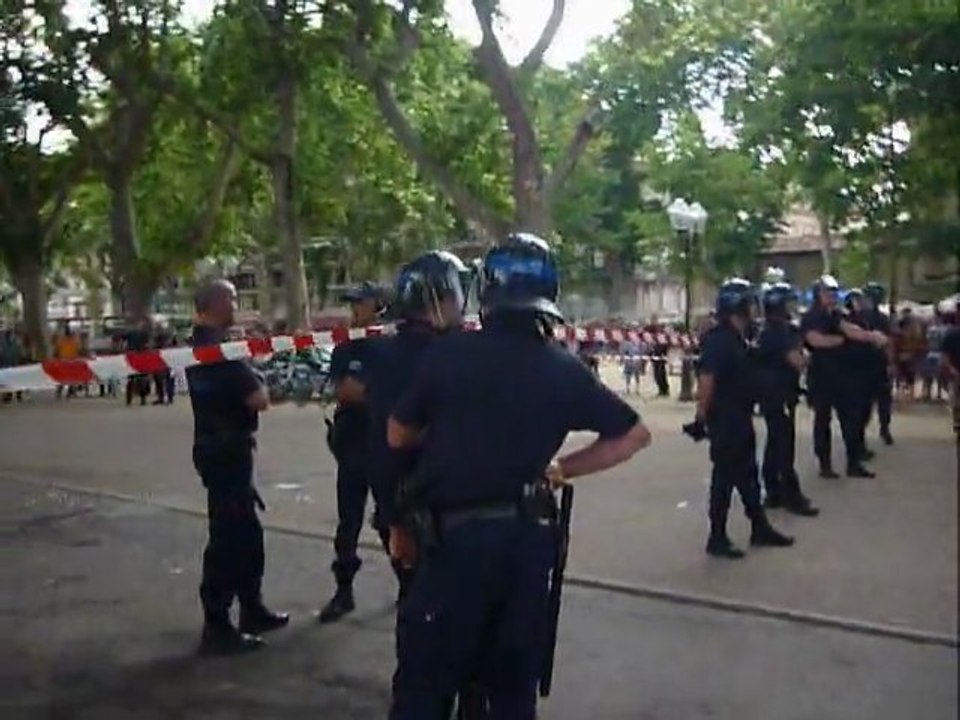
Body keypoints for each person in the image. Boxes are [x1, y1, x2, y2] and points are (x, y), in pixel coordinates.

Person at [384, 233, 651, 719]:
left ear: (486, 291)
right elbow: (633, 435)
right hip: (527, 545)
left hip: (454, 545)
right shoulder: (566, 369)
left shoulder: (448, 356)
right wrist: (562, 469)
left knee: (426, 682)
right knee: (511, 687)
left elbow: (398, 435)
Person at [364, 252, 471, 609]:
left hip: (428, 507)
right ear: (438, 297)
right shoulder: (419, 356)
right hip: (418, 509)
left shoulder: (404, 351)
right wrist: (396, 522)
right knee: (429, 616)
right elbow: (386, 443)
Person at [187, 279, 288, 655]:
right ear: (214, 302)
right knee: (230, 536)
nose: (235, 305)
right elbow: (258, 398)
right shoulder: (219, 350)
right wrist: (266, 378)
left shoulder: (198, 345)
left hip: (218, 448)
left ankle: (251, 606)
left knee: (246, 531)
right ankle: (217, 623)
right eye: (230, 298)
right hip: (226, 450)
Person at [688, 279, 794, 559]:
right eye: (748, 303)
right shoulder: (719, 340)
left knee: (747, 476)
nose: (753, 309)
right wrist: (701, 417)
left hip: (740, 416)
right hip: (726, 419)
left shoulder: (738, 338)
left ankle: (759, 527)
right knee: (724, 479)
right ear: (737, 306)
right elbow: (707, 379)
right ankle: (718, 537)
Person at [317, 281, 386, 623]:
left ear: (377, 304)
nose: (354, 309)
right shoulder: (346, 345)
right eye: (353, 303)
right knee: (349, 520)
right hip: (353, 441)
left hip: (384, 441)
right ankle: (343, 590)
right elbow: (346, 390)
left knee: (393, 517)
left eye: (360, 302)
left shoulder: (388, 341)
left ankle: (410, 586)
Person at [800, 275, 886, 479]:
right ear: (817, 294)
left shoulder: (836, 314)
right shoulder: (811, 316)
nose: (831, 296)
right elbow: (815, 340)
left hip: (841, 376)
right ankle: (825, 465)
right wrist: (840, 340)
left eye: (832, 292)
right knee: (823, 421)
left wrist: (871, 336)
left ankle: (853, 463)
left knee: (851, 419)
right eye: (827, 292)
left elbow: (851, 330)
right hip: (820, 376)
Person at [756, 282, 818, 516]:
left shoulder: (770, 330)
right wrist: (808, 359)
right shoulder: (779, 332)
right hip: (779, 394)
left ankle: (773, 492)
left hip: (772, 395)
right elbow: (797, 361)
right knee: (783, 445)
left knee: (774, 445)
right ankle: (791, 496)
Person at [861, 283, 894, 445]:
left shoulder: (864, 317)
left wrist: (890, 363)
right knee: (879, 401)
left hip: (870, 364)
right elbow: (889, 343)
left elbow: (889, 343)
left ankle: (882, 429)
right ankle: (883, 429)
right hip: (871, 364)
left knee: (876, 401)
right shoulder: (880, 318)